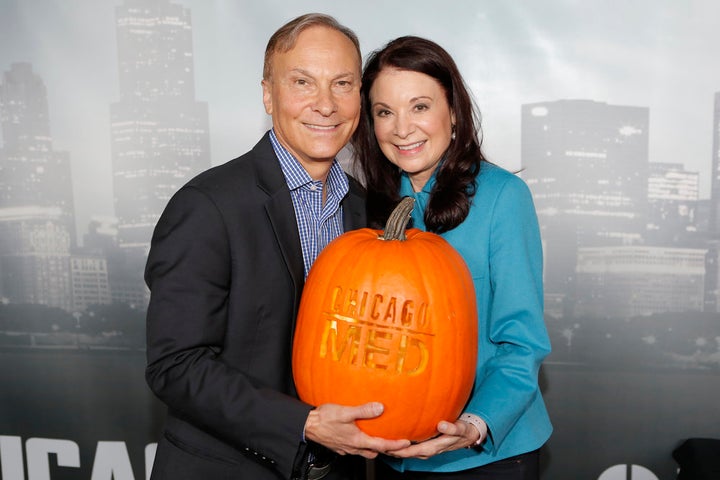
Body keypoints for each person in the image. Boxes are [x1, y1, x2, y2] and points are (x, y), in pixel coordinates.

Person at [144, 13, 410, 480]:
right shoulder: (207, 206)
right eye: (303, 82)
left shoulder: (366, 213)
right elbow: (176, 364)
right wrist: (302, 425)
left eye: (343, 84)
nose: (325, 105)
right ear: (269, 94)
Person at [352, 36, 553, 479]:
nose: (402, 128)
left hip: (487, 455)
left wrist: (475, 423)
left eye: (419, 106)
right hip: (393, 454)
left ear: (454, 113)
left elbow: (522, 341)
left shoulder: (503, 197)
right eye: (385, 112)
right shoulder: (369, 208)